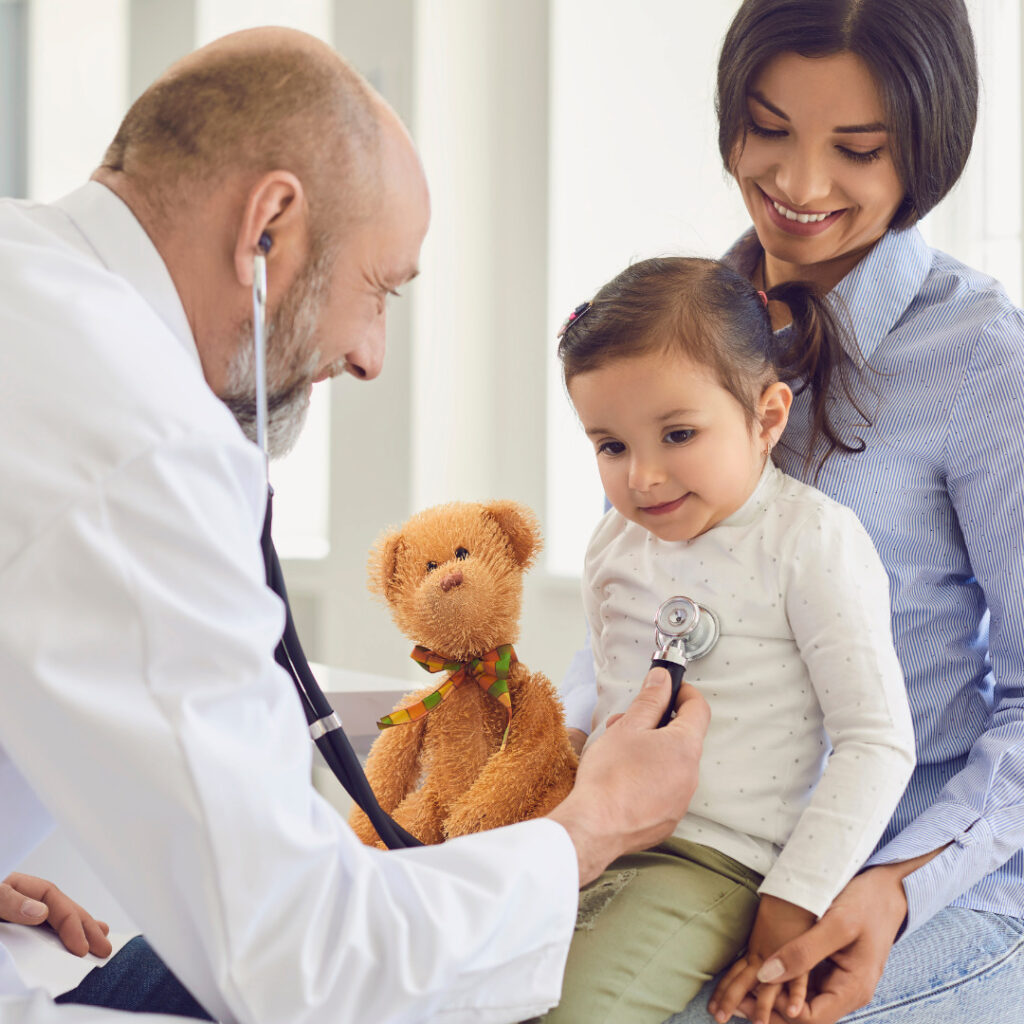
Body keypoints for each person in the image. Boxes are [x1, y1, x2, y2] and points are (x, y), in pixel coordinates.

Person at [0, 27, 711, 1024]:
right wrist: (591, 827)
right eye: (378, 290)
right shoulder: (137, 440)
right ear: (269, 228)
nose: (371, 355)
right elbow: (311, 970)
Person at [562, 1, 1024, 1022]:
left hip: (908, 879)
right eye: (768, 130)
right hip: (689, 861)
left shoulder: (982, 357)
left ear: (928, 150)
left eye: (857, 149)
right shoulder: (682, 330)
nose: (800, 185)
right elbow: (639, 613)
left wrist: (894, 886)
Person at [542, 256, 914, 1024]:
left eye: (677, 434)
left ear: (768, 418)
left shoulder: (810, 542)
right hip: (592, 835)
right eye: (610, 446)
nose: (643, 477)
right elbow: (605, 683)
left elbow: (877, 742)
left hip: (711, 859)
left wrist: (794, 896)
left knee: (575, 1012)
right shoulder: (616, 544)